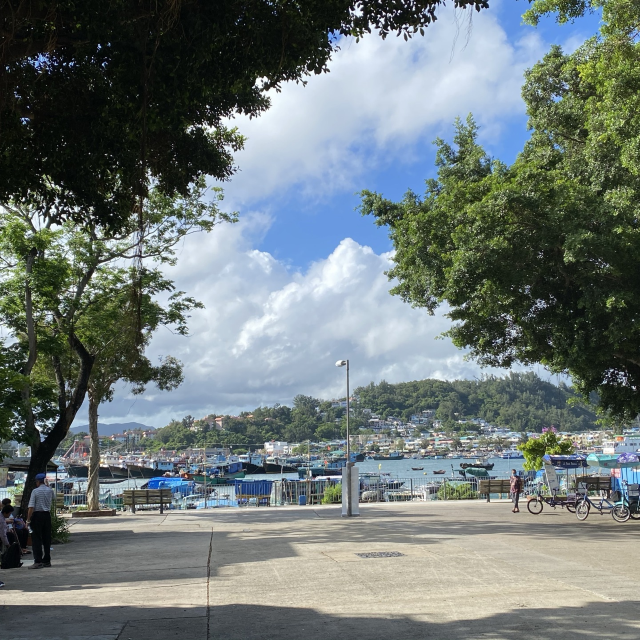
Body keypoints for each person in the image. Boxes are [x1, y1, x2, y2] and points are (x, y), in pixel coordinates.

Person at [26, 473, 55, 569]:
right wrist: (48, 486)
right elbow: (54, 499)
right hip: (47, 515)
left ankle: (37, 561)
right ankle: (47, 560)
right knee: (46, 538)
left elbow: (31, 507)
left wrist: (28, 520)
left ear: (38, 481)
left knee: (36, 539)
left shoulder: (35, 491)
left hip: (37, 515)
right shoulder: (50, 491)